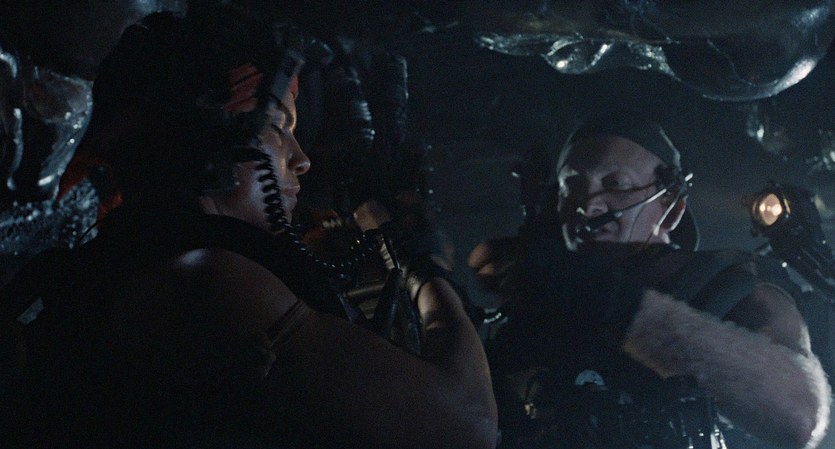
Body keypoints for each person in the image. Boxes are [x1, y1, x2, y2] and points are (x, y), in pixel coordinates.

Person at [0, 7, 497, 449]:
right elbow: (467, 426)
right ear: (212, 142)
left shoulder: (120, 262)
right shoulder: (206, 282)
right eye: (279, 128)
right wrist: (424, 264)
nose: (300, 160)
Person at [468, 114, 831, 449]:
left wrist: (614, 303)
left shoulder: (725, 281)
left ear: (671, 205)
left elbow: (798, 414)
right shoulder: (538, 300)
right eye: (571, 186)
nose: (588, 205)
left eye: (615, 184)